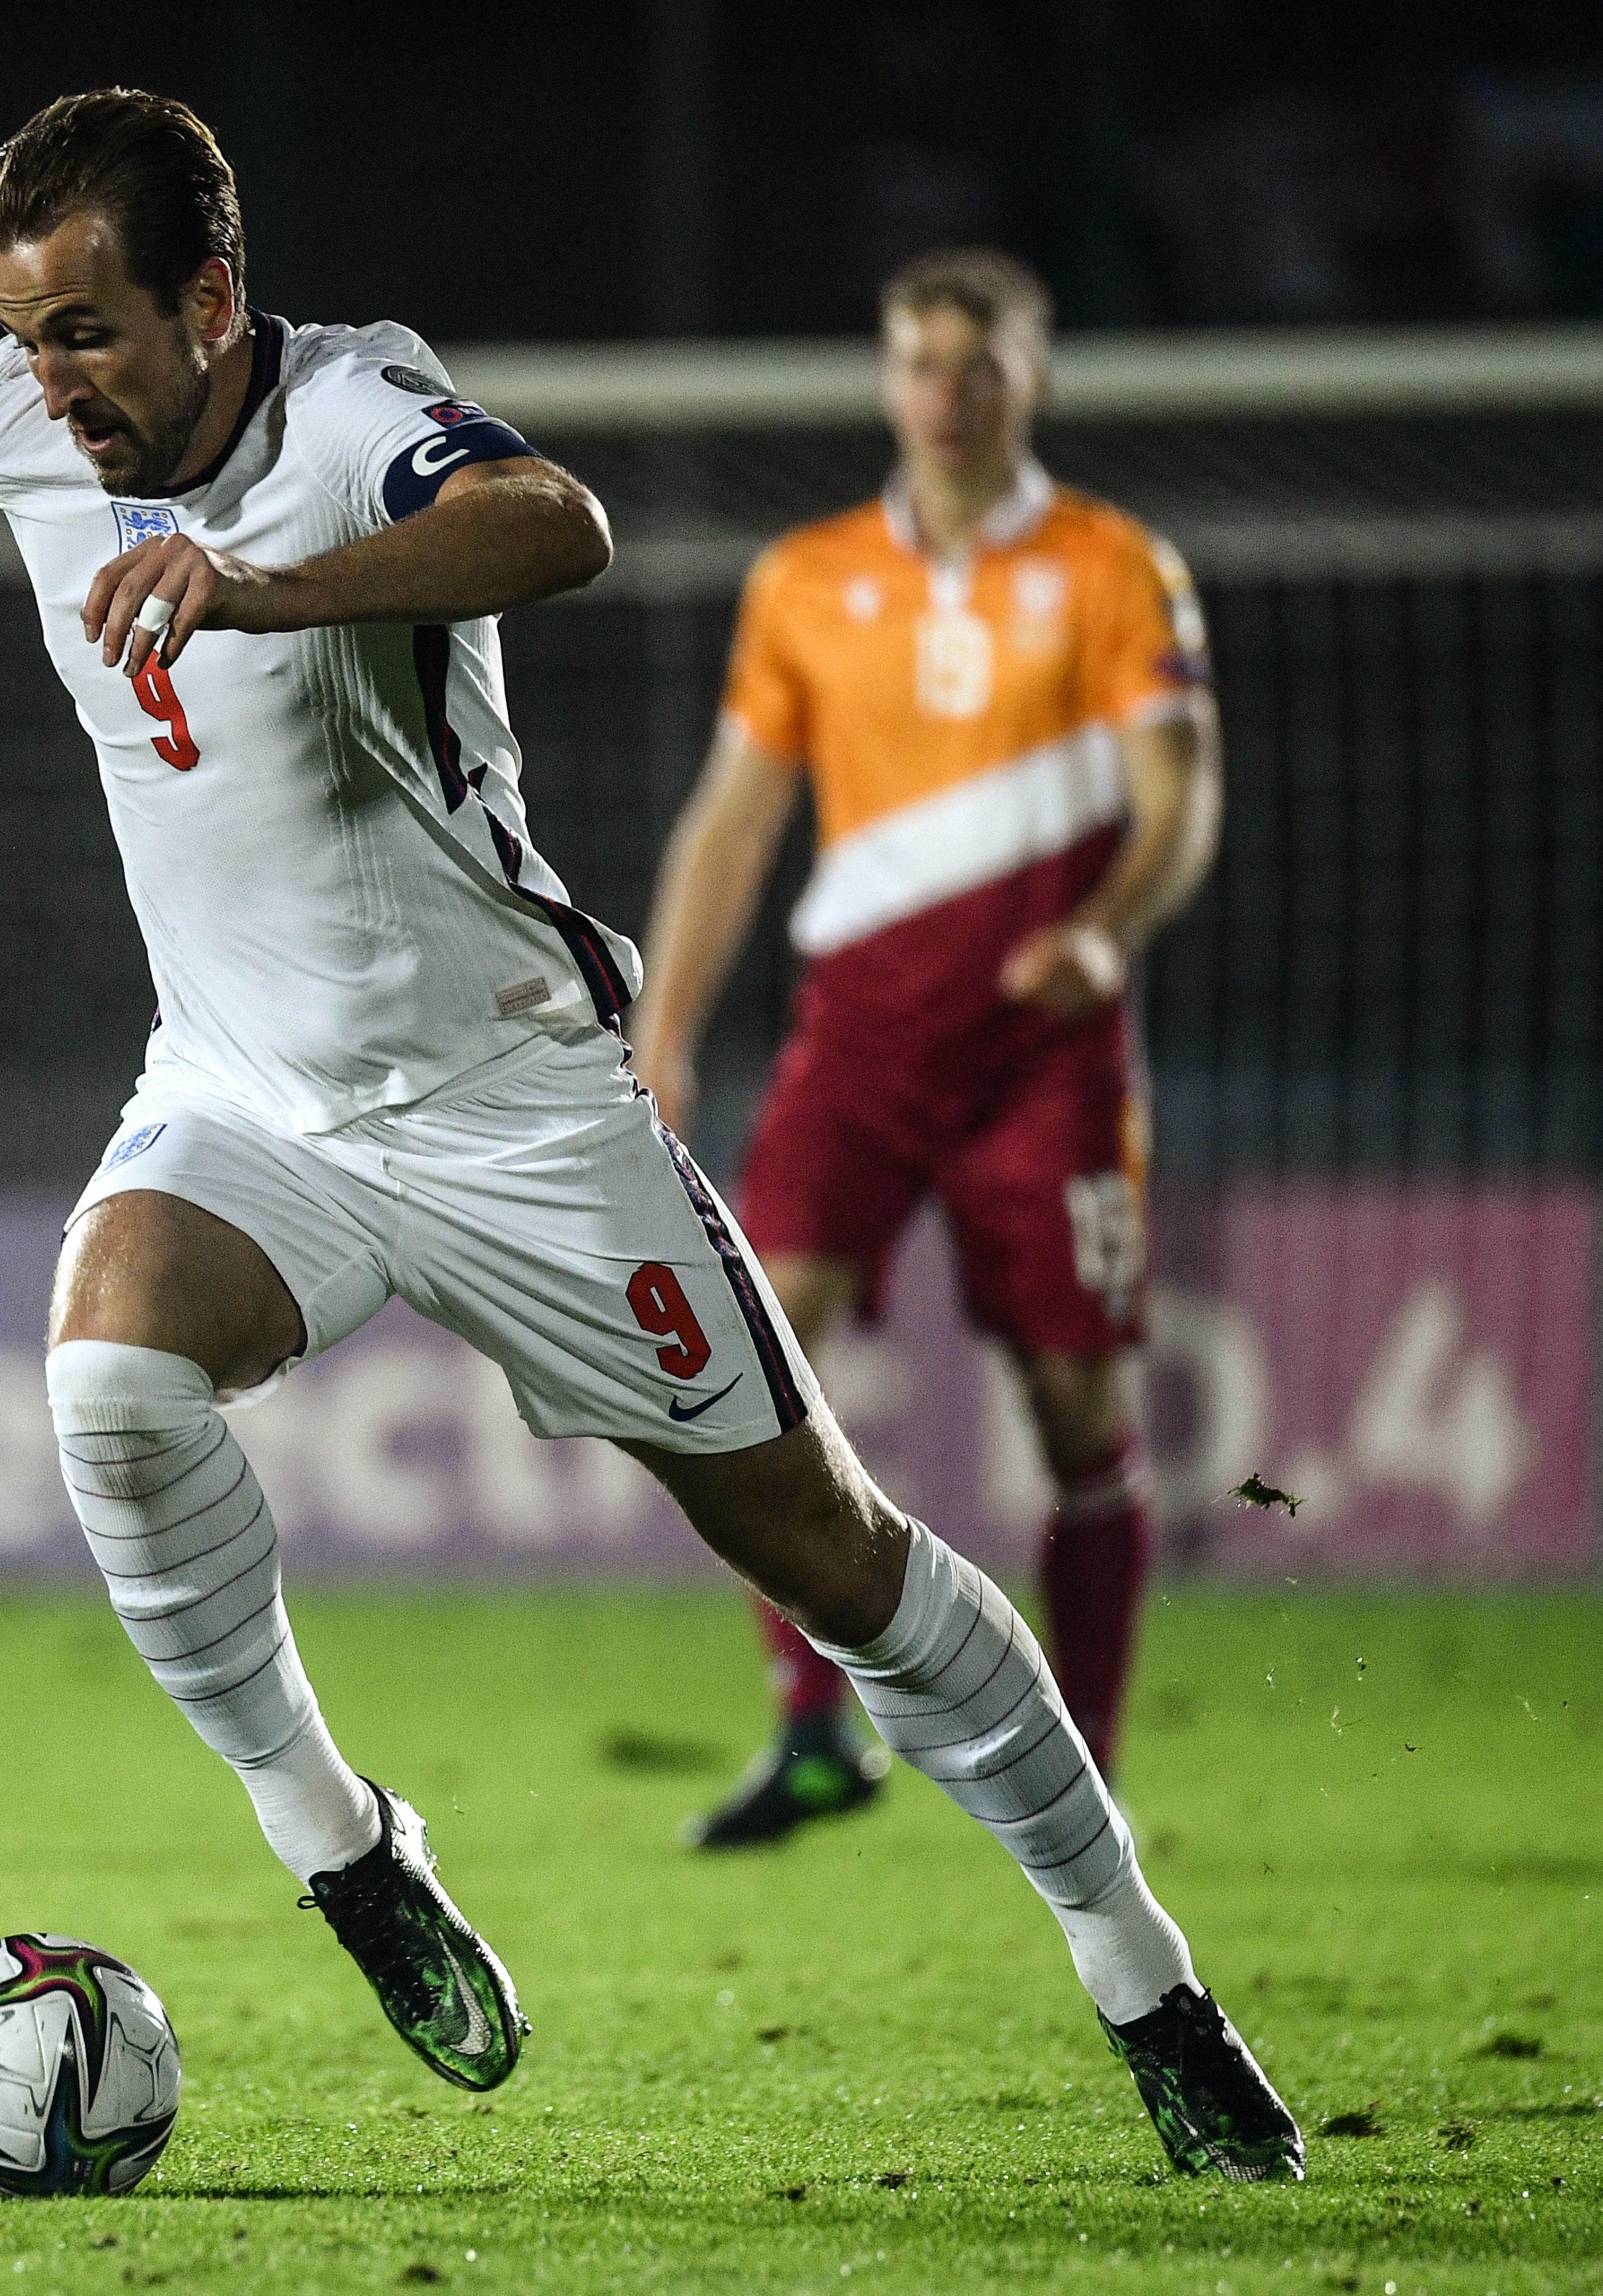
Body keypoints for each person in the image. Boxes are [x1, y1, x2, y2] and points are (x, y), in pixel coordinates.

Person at [0, 88, 1294, 2178]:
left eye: (91, 330)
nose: (49, 379)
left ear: (218, 302)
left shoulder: (355, 414)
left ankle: (1145, 1978)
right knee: (106, 1377)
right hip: (248, 1096)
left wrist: (263, 591)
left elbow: (561, 525)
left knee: (835, 1554)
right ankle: (345, 1852)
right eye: (24, 333)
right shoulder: (21, 401)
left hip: (516, 1106)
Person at [628, 249, 1219, 1853]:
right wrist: (664, 1026)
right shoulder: (808, 581)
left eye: (981, 363)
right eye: (920, 362)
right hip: (864, 1044)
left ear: (1033, 375)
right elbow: (734, 822)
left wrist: (1108, 924)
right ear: (885, 380)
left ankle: (1080, 1778)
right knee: (750, 1364)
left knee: (1082, 1412)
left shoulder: (1112, 568)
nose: (947, 395)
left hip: (1046, 1052)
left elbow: (1180, 795)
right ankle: (816, 1730)